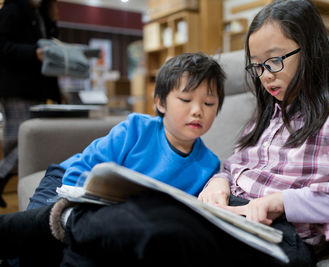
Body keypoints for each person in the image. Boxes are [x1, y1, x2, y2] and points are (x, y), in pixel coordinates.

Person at [1, 0, 329, 266]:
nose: (265, 76)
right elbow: (233, 164)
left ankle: (46, 225)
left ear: (310, 50)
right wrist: (220, 183)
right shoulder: (268, 117)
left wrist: (282, 202)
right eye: (257, 67)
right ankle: (56, 227)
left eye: (274, 61)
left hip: (278, 235)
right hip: (229, 213)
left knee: (149, 221)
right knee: (137, 216)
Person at [0, 51, 226, 266]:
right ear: (160, 103)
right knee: (36, 237)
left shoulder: (208, 165)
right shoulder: (136, 129)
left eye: (209, 104)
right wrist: (81, 208)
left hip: (117, 212)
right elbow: (83, 166)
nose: (198, 111)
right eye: (186, 99)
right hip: (67, 182)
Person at [0, 0, 61, 207]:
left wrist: (52, 21)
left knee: (23, 142)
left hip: (36, 91)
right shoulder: (12, 11)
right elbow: (3, 47)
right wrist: (33, 53)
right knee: (21, 142)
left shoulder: (40, 16)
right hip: (18, 89)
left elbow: (50, 48)